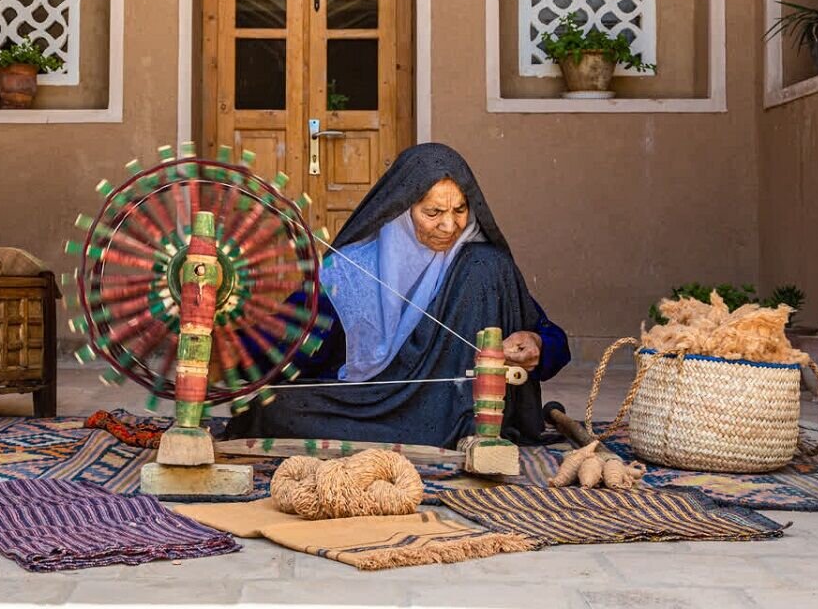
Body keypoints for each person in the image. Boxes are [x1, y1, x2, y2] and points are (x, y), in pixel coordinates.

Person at [222, 143, 570, 448]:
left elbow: (556, 342)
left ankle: (454, 432)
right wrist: (227, 347)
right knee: (276, 408)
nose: (450, 226)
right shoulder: (354, 269)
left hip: (468, 414)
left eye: (460, 210)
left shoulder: (485, 266)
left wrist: (537, 345)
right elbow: (294, 338)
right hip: (379, 404)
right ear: (402, 210)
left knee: (485, 263)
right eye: (433, 213)